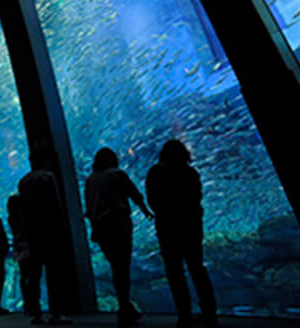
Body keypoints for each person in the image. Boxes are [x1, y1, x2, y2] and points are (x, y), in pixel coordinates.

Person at [146, 140, 217, 328]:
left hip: (166, 228)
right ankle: (209, 313)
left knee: (174, 272)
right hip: (191, 227)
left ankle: (184, 315)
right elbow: (196, 197)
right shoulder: (190, 172)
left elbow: (151, 199)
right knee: (197, 268)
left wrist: (164, 213)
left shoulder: (154, 172)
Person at [84, 148, 153, 327]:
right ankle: (124, 307)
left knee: (116, 267)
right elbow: (134, 194)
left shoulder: (90, 179)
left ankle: (125, 306)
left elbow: (89, 207)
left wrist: (94, 229)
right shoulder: (117, 174)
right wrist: (145, 210)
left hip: (101, 229)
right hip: (118, 225)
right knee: (122, 267)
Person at [18, 142, 72, 325]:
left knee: (34, 274)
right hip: (50, 230)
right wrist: (63, 226)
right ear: (45, 160)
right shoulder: (48, 177)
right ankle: (56, 313)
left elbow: (23, 211)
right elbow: (56, 203)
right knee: (54, 272)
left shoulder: (23, 181)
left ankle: (36, 313)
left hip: (32, 232)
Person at [7, 194, 40, 318]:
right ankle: (32, 304)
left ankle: (28, 303)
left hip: (19, 249)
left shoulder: (11, 218)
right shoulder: (25, 219)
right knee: (32, 276)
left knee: (24, 276)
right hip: (28, 248)